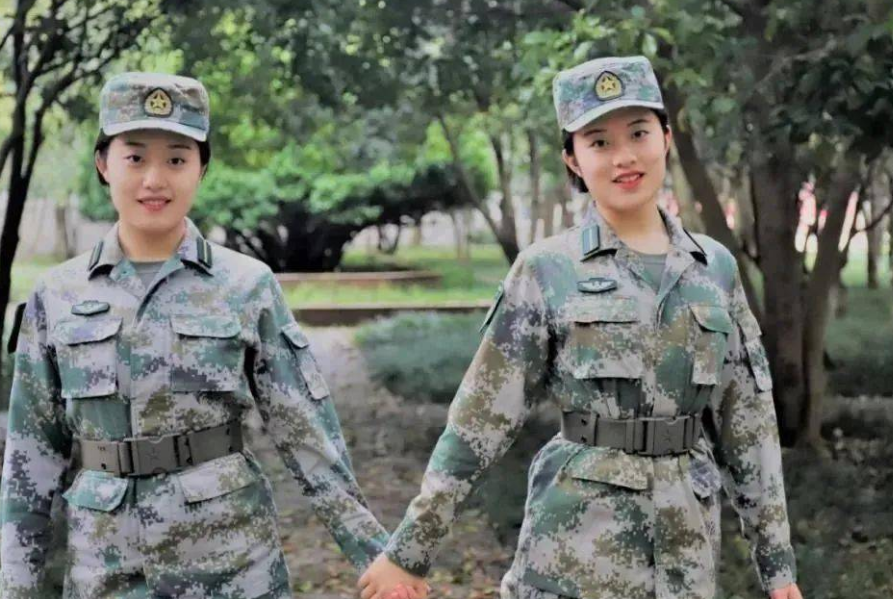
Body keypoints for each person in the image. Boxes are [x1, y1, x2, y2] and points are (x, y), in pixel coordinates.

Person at [359, 56, 804, 599]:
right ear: (572, 158)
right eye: (598, 142)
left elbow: (748, 424)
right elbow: (480, 419)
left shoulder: (714, 269)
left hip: (686, 556)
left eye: (638, 133)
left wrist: (778, 569)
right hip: (573, 557)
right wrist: (410, 551)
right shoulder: (547, 269)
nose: (624, 157)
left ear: (666, 138)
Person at [0, 72, 414, 599]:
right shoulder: (56, 294)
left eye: (177, 159)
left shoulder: (246, 286)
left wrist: (380, 558)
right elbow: (31, 457)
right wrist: (15, 586)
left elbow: (307, 433)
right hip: (106, 573)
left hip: (232, 568)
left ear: (201, 168)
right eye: (135, 157)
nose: (155, 179)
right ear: (103, 164)